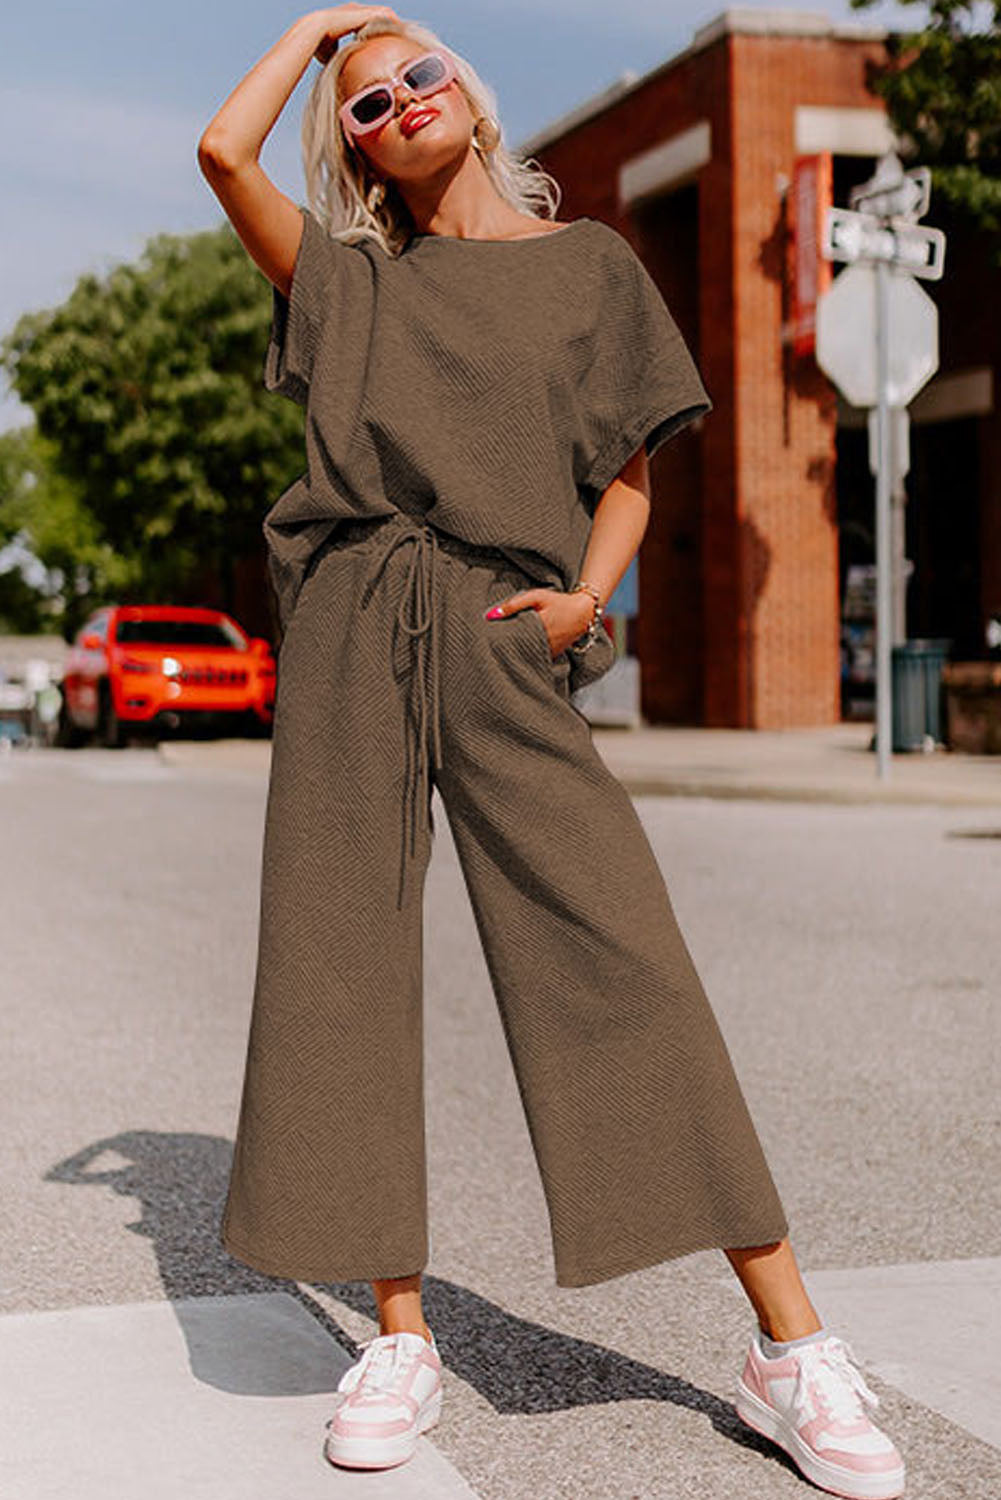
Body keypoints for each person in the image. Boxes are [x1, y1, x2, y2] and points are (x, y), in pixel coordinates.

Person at [197, 10, 906, 1496]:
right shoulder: (348, 280)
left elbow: (630, 476)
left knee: (618, 951)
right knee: (341, 964)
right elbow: (218, 149)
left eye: (417, 74)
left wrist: (584, 603)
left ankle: (785, 1345)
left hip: (507, 621)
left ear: (467, 89)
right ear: (354, 148)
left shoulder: (590, 266)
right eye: (368, 103)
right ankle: (398, 1335)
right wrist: (318, 29)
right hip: (351, 618)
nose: (396, 101)